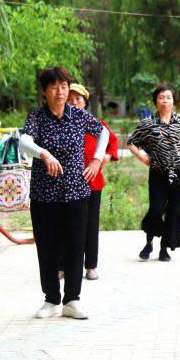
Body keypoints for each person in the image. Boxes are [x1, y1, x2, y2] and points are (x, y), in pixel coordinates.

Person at [19, 67, 109, 319]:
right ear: (45, 91)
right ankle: (50, 299)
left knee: (75, 246)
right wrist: (43, 153)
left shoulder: (78, 115)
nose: (60, 91)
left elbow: (103, 132)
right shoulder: (36, 117)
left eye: (64, 86)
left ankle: (72, 300)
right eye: (54, 87)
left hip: (76, 192)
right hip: (44, 195)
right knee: (47, 246)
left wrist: (96, 160)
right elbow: (24, 142)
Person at [127, 86, 180, 262]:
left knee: (174, 211)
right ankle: (149, 241)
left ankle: (164, 248)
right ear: (156, 101)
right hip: (158, 173)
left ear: (173, 100)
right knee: (156, 209)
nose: (165, 100)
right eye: (162, 97)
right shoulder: (148, 124)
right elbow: (131, 143)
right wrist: (142, 157)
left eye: (168, 97)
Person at [68, 83, 119, 280]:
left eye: (78, 99)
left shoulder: (96, 124)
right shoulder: (60, 124)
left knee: (90, 225)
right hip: (67, 184)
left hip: (92, 182)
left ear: (85, 103)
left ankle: (91, 265)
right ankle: (64, 265)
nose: (74, 102)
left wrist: (106, 157)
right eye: (70, 99)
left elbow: (112, 142)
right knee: (68, 226)